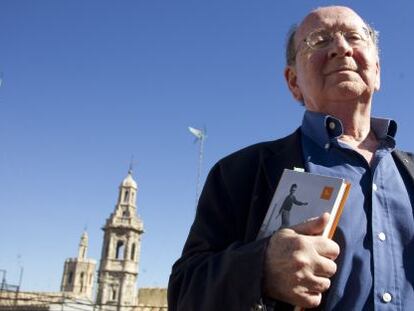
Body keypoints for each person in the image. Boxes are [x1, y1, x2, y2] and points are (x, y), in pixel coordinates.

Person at [168, 6, 414, 310]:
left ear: (377, 71)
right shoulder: (240, 173)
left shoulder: (410, 173)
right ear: (293, 82)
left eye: (354, 36)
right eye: (319, 40)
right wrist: (259, 270)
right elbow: (184, 293)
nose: (341, 48)